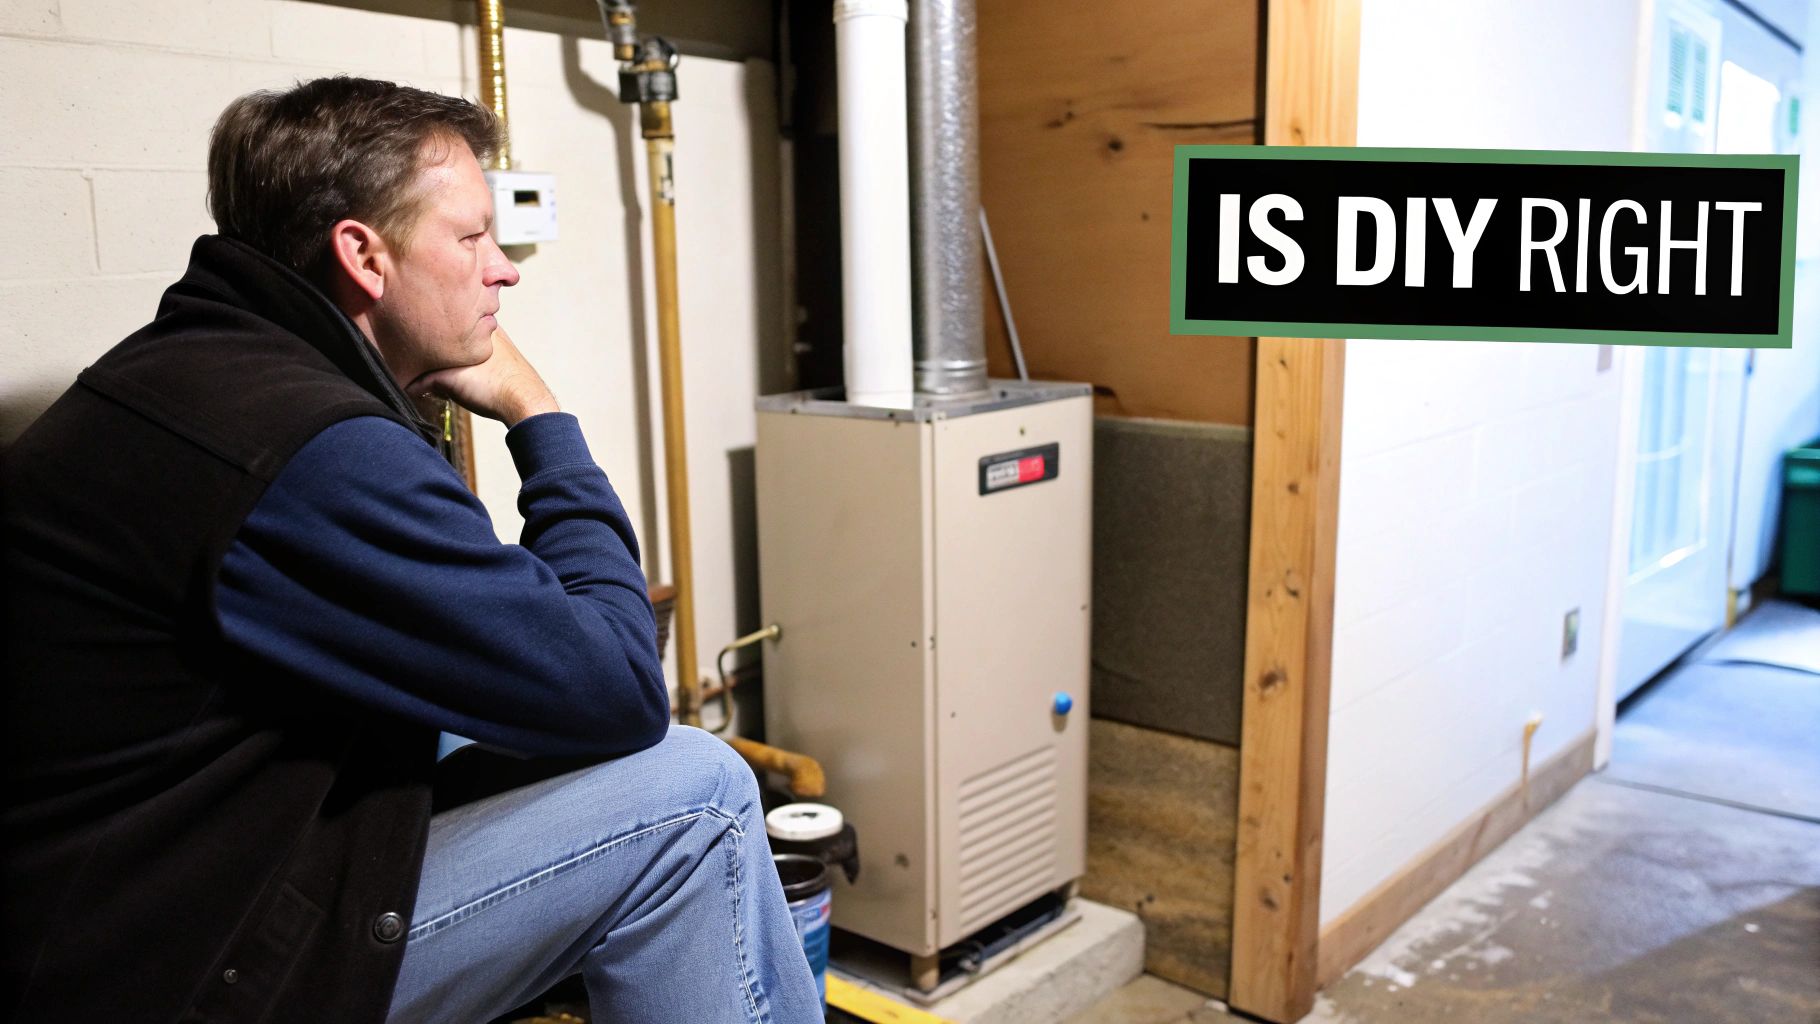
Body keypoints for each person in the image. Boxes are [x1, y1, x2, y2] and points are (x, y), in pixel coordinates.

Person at [1, 76, 820, 1024]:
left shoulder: (190, 370)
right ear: (365, 256)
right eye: (472, 237)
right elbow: (622, 689)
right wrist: (540, 416)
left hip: (134, 898)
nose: (504, 269)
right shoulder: (311, 449)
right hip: (178, 967)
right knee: (700, 795)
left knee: (485, 727)